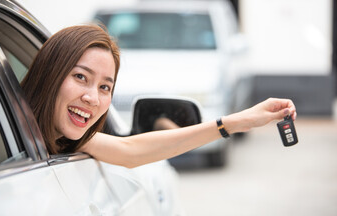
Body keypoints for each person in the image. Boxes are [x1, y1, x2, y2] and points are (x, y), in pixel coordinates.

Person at [21, 24, 297, 168]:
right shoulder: (17, 139)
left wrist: (236, 122)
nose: (92, 98)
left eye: (105, 87)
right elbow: (132, 151)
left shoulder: (67, 141)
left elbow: (132, 151)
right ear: (50, 73)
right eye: (80, 77)